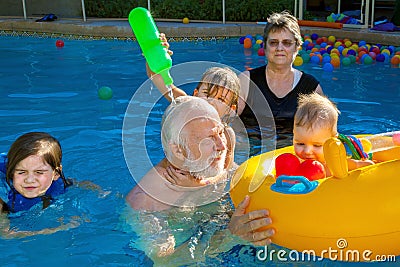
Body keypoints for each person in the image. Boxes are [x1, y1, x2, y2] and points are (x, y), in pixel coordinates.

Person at [125, 96, 274, 262]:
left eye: (220, 132)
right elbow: (165, 262)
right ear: (178, 150)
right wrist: (229, 236)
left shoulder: (215, 163)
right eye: (208, 138)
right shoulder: (146, 202)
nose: (221, 146)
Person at [237, 11, 324, 149]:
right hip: (249, 153)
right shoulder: (247, 81)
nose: (279, 48)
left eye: (287, 43)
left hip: (290, 157)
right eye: (273, 43)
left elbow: (323, 133)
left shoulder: (311, 88)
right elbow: (225, 120)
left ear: (297, 47)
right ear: (265, 46)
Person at [0, 132, 78, 238]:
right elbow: (6, 234)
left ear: (55, 173)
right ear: (11, 172)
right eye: (21, 172)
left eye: (39, 172)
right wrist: (54, 230)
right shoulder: (3, 194)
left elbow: (76, 183)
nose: (29, 180)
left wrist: (97, 190)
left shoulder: (60, 182)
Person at [293, 93, 374, 175]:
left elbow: (367, 165)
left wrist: (363, 163)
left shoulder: (336, 166)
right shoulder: (295, 163)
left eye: (317, 145)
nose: (307, 151)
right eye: (300, 144)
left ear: (333, 141)